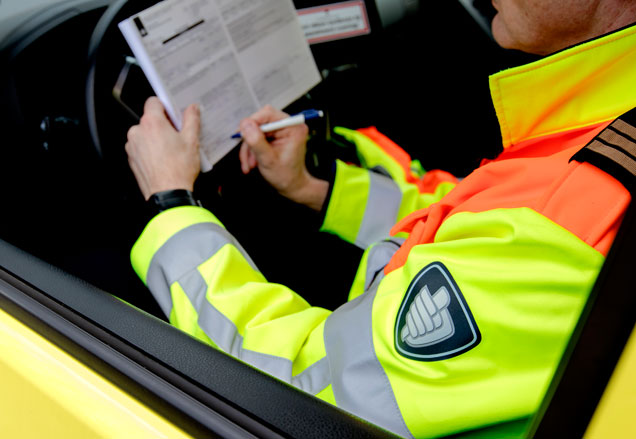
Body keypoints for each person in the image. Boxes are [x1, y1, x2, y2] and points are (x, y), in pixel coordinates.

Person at [125, 1, 636, 437]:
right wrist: (318, 188)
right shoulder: (597, 138)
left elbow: (301, 394)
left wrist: (171, 202)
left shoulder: (551, 234)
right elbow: (468, 214)